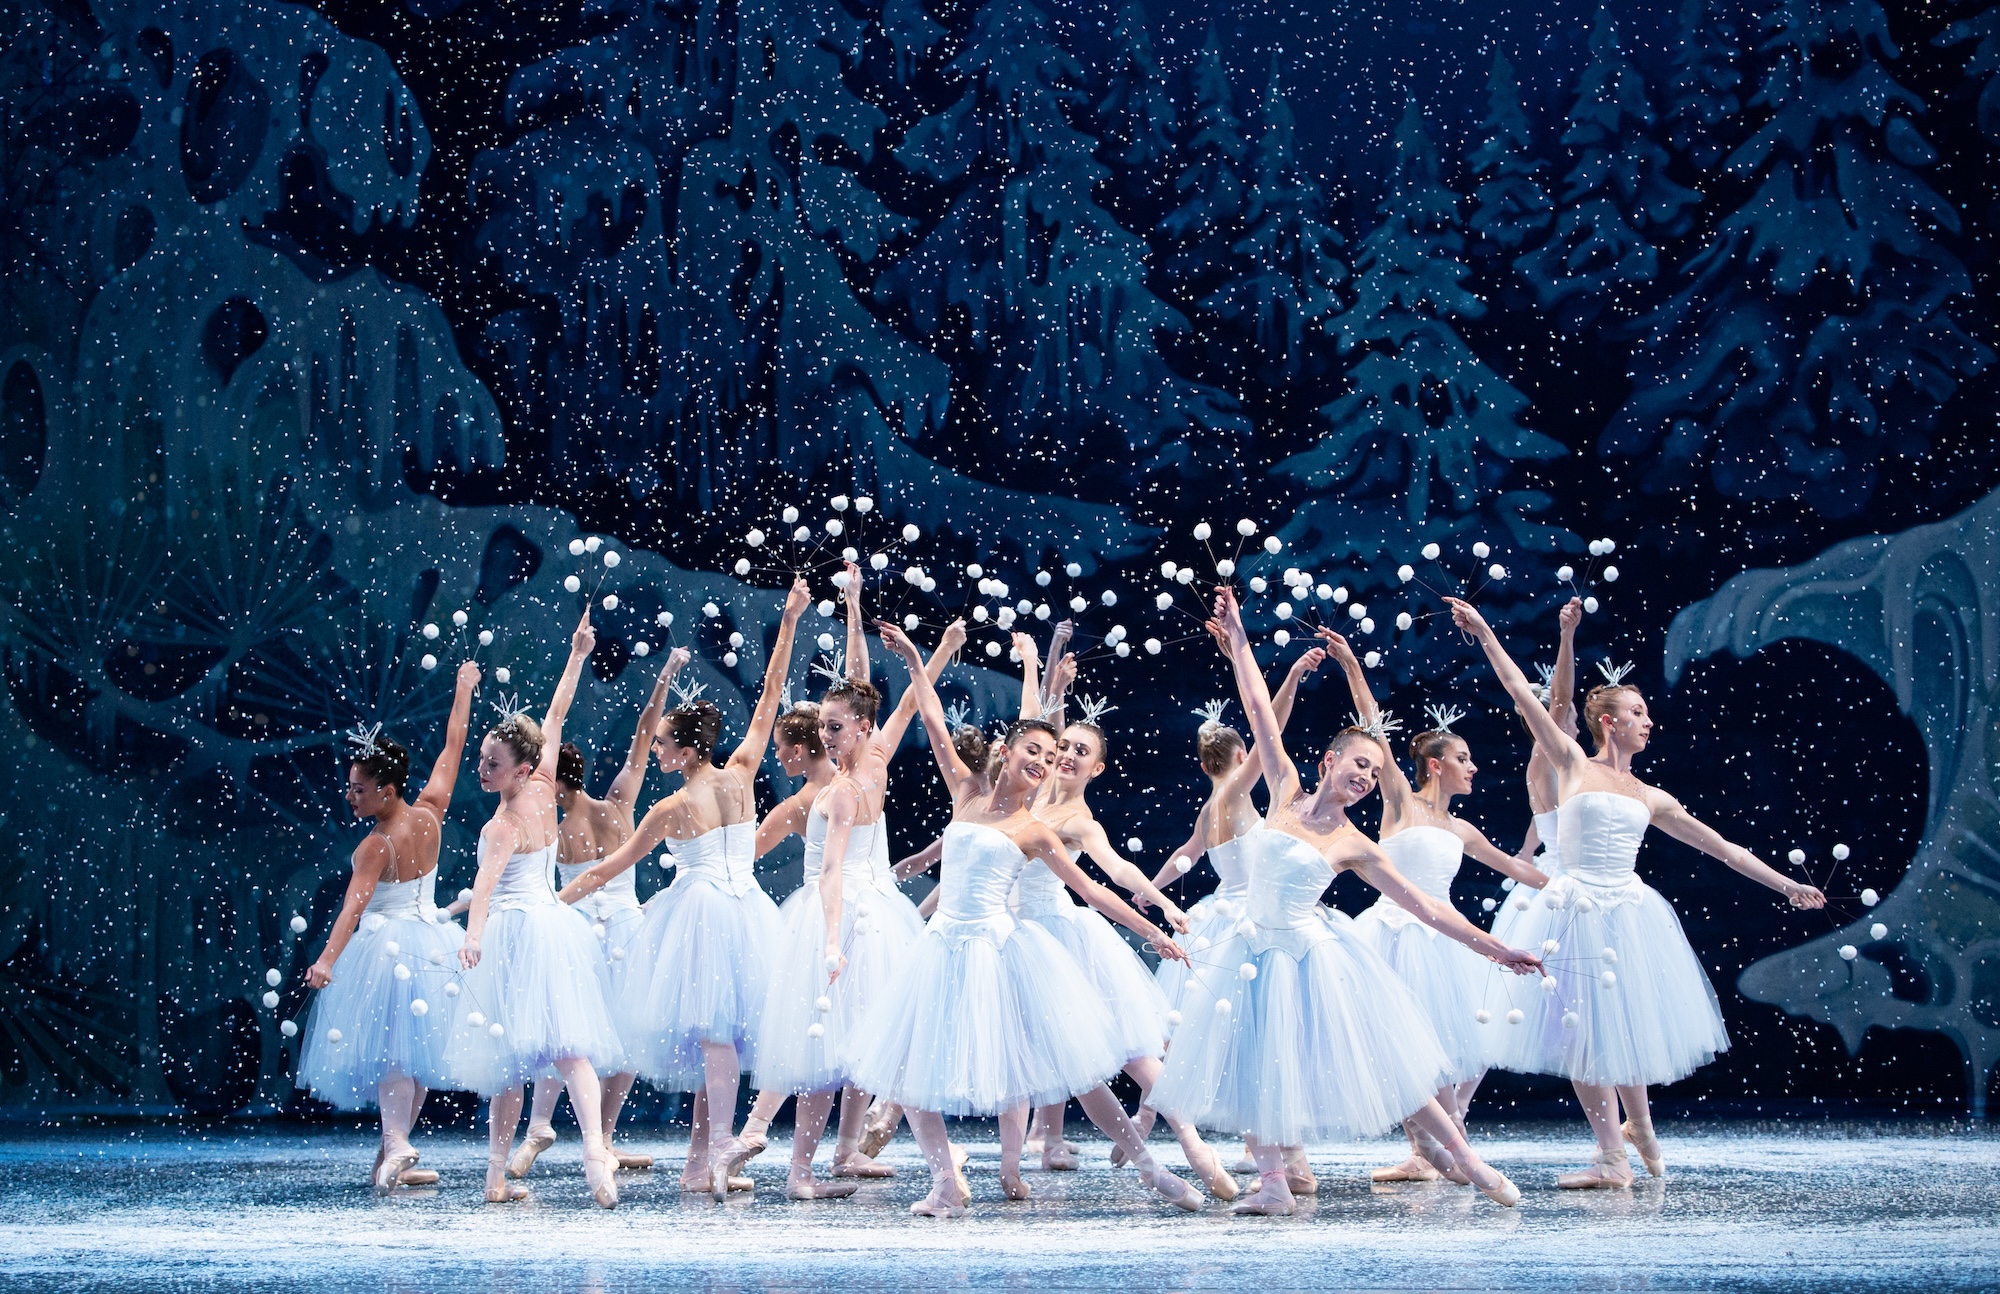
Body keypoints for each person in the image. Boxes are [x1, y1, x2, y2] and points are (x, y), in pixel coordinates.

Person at [1149, 587, 1539, 1217]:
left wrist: (1496, 949)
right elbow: (1256, 707)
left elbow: (1429, 908)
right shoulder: (1282, 790)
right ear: (1330, 760)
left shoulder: (1357, 844)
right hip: (1252, 952)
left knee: (1386, 1062)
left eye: (1374, 772)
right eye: (1357, 764)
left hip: (1312, 957)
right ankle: (1273, 1183)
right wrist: (1241, 636)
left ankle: (1469, 1161)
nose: (1363, 778)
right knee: (1256, 1062)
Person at [1445, 595, 1826, 1188]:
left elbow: (1721, 848)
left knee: (1604, 1026)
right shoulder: (1569, 763)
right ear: (1609, 722)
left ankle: (1622, 1149)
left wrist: (1786, 885)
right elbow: (1527, 694)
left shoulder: (1651, 794)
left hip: (1623, 909)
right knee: (1587, 1027)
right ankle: (1625, 1146)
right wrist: (1489, 631)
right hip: (1570, 908)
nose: (1650, 721)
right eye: (1639, 712)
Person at [849, 621, 1202, 1216]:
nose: (1043, 761)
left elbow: (1091, 887)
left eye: (1050, 754)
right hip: (942, 948)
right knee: (907, 1067)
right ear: (1006, 752)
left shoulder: (1034, 829)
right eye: (1032, 750)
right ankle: (945, 1182)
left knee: (1078, 1070)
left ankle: (1151, 1168)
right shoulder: (965, 793)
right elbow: (933, 719)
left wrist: (1153, 932)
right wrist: (916, 655)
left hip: (1001, 950)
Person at [561, 579, 807, 1199]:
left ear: (687, 747)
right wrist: (790, 621)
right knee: (713, 1041)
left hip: (702, 913)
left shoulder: (672, 807)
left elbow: (604, 871)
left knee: (716, 1038)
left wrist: (550, 904)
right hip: (746, 907)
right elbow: (772, 695)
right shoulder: (746, 770)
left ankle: (721, 1147)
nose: (660, 749)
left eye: (666, 743)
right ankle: (700, 1163)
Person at [1314, 628, 1547, 1183]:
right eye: (1463, 759)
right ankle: (1429, 1148)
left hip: (1444, 935)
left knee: (1471, 1043)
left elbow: (1519, 868)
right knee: (1406, 1041)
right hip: (1395, 932)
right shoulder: (1399, 800)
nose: (1473, 767)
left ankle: (1445, 1136)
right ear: (1436, 765)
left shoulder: (1462, 828)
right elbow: (1374, 731)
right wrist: (1350, 665)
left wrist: (1570, 875)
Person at [450, 612, 625, 1208]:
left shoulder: (501, 824)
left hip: (518, 931)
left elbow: (488, 882)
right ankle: (582, 1156)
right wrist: (577, 655)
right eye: (481, 757)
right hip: (551, 925)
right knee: (558, 1050)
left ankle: (573, 1157)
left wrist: (472, 937)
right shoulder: (547, 786)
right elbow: (554, 716)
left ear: (521, 769)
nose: (483, 769)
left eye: (493, 764)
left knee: (518, 1056)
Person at [296, 661, 479, 1192]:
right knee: (413, 1049)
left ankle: (397, 1144)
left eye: (359, 789)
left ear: (389, 789)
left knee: (399, 1050)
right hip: (430, 941)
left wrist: (327, 960)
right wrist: (463, 690)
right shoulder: (431, 813)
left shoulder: (375, 845)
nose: (350, 796)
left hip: (389, 945)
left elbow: (352, 909)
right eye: (349, 787)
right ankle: (387, 1160)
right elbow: (453, 747)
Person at [507, 647, 688, 1181]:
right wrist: (665, 676)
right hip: (626, 930)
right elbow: (641, 737)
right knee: (623, 1034)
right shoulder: (617, 805)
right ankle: (600, 1137)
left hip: (582, 931)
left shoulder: (547, 828)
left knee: (568, 1030)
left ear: (554, 782)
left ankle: (546, 1122)